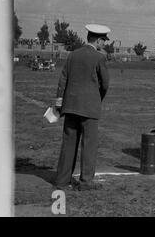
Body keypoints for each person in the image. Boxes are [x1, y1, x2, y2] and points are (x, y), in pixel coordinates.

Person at [54, 24, 110, 191]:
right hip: (89, 107)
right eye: (103, 41)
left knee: (68, 143)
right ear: (98, 40)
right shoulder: (99, 58)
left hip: (70, 106)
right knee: (89, 144)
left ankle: (62, 180)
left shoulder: (73, 55)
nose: (104, 44)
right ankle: (86, 182)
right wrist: (96, 98)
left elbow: (62, 80)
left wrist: (59, 103)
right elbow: (105, 84)